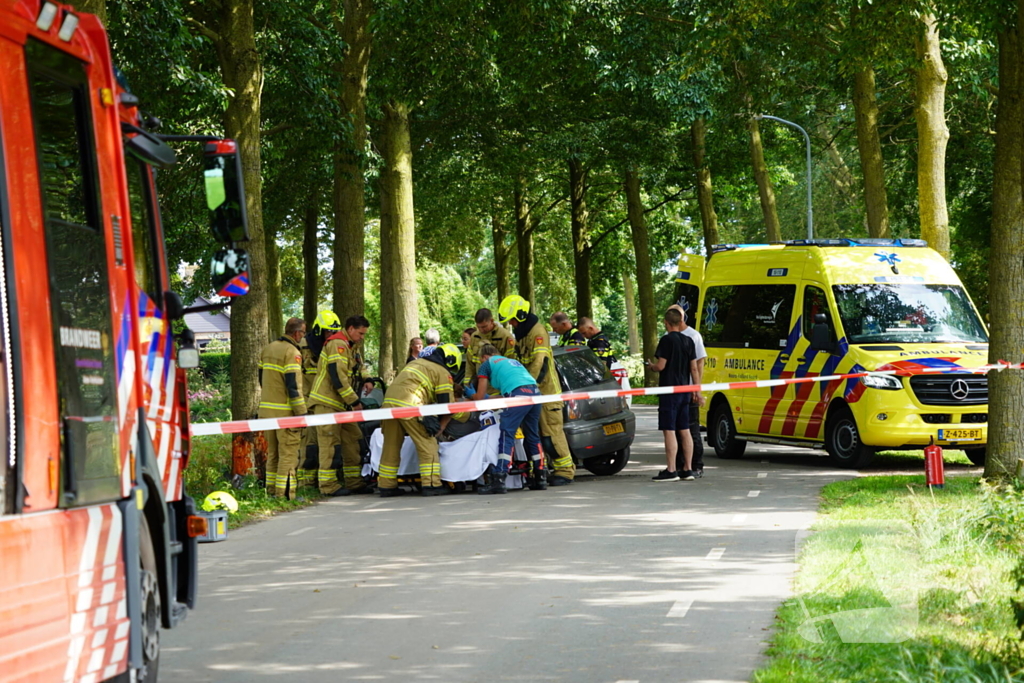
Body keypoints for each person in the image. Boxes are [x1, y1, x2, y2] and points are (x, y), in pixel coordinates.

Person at [498, 295, 575, 486]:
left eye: (513, 320)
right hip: (532, 394)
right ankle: (542, 470)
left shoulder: (537, 333)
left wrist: (526, 387)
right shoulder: (523, 335)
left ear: (521, 315)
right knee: (536, 435)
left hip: (546, 393)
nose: (512, 325)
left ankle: (565, 471)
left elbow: (540, 364)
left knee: (551, 434)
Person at [378, 344, 463, 497]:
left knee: (391, 445)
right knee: (428, 444)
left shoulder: (416, 363)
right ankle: (431, 484)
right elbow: (446, 405)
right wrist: (441, 427)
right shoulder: (442, 371)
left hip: (388, 404)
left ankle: (386, 485)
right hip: (410, 405)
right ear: (450, 360)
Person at [307, 315, 374, 496]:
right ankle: (328, 486)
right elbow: (338, 377)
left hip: (341, 404)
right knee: (329, 444)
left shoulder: (351, 345)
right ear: (350, 329)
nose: (362, 337)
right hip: (327, 403)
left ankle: (354, 482)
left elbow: (359, 366)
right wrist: (354, 401)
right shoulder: (338, 344)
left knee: (353, 439)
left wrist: (368, 379)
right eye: (360, 333)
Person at [471, 344, 544, 493]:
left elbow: (479, 397)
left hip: (517, 396)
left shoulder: (486, 365)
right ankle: (540, 477)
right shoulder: (510, 362)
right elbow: (509, 392)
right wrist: (490, 397)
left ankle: (499, 478)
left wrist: (473, 394)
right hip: (535, 393)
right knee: (533, 436)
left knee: (506, 434)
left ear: (484, 357)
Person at [648, 308, 702, 482]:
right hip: (685, 390)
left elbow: (661, 366)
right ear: (681, 321)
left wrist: (651, 366)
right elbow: (694, 368)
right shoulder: (689, 341)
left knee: (669, 430)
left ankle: (671, 470)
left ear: (666, 323)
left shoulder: (666, 340)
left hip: (669, 391)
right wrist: (697, 390)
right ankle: (688, 468)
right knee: (685, 429)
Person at [257, 317, 308, 499]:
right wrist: (301, 413)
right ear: (296, 333)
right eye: (303, 333)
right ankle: (286, 495)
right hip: (286, 413)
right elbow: (293, 386)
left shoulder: (268, 348)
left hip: (267, 412)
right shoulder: (292, 352)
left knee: (274, 454)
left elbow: (261, 378)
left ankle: (271, 493)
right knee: (288, 454)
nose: (303, 337)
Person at [297, 310, 342, 488]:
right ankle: (305, 484)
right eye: (327, 332)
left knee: (327, 444)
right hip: (306, 403)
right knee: (309, 445)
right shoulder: (301, 346)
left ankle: (321, 480)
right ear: (318, 330)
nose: (330, 335)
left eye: (333, 332)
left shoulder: (336, 346)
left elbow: (355, 365)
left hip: (326, 403)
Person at [670, 303, 708, 477]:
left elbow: (699, 364)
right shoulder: (669, 334)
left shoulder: (693, 336)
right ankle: (680, 464)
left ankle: (696, 465)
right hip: (674, 388)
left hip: (688, 387)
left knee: (691, 428)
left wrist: (696, 387)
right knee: (676, 429)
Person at [465, 308, 516, 392]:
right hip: (481, 386)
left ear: (491, 321)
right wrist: (467, 384)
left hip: (499, 387)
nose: (481, 330)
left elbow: (510, 363)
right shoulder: (475, 337)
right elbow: (470, 365)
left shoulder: (505, 336)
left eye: (484, 326)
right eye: (479, 327)